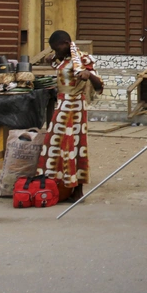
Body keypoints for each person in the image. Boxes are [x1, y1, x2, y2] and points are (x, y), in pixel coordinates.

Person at [37, 30, 104, 202]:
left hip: (75, 107)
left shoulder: (82, 59)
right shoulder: (62, 60)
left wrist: (89, 75)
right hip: (61, 105)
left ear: (67, 43)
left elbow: (99, 84)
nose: (55, 52)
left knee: (75, 145)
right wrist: (52, 58)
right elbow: (56, 64)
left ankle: (77, 189)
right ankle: (58, 185)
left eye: (57, 48)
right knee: (56, 145)